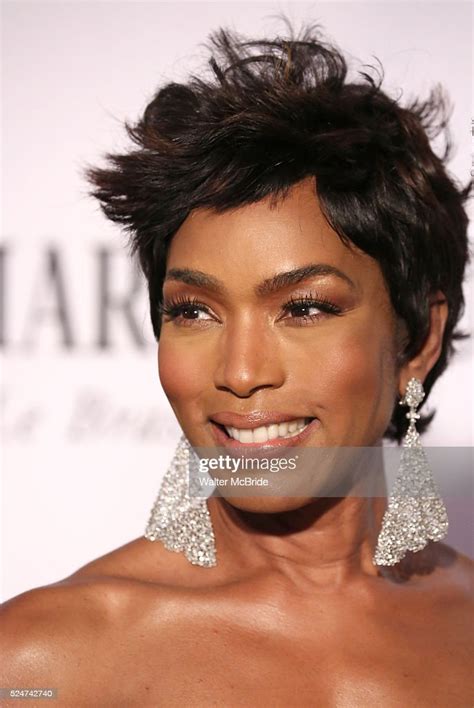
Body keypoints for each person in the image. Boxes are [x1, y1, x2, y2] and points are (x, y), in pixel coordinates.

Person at [1, 19, 473, 707]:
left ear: (417, 339)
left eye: (305, 309)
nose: (243, 372)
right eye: (193, 311)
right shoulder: (44, 664)